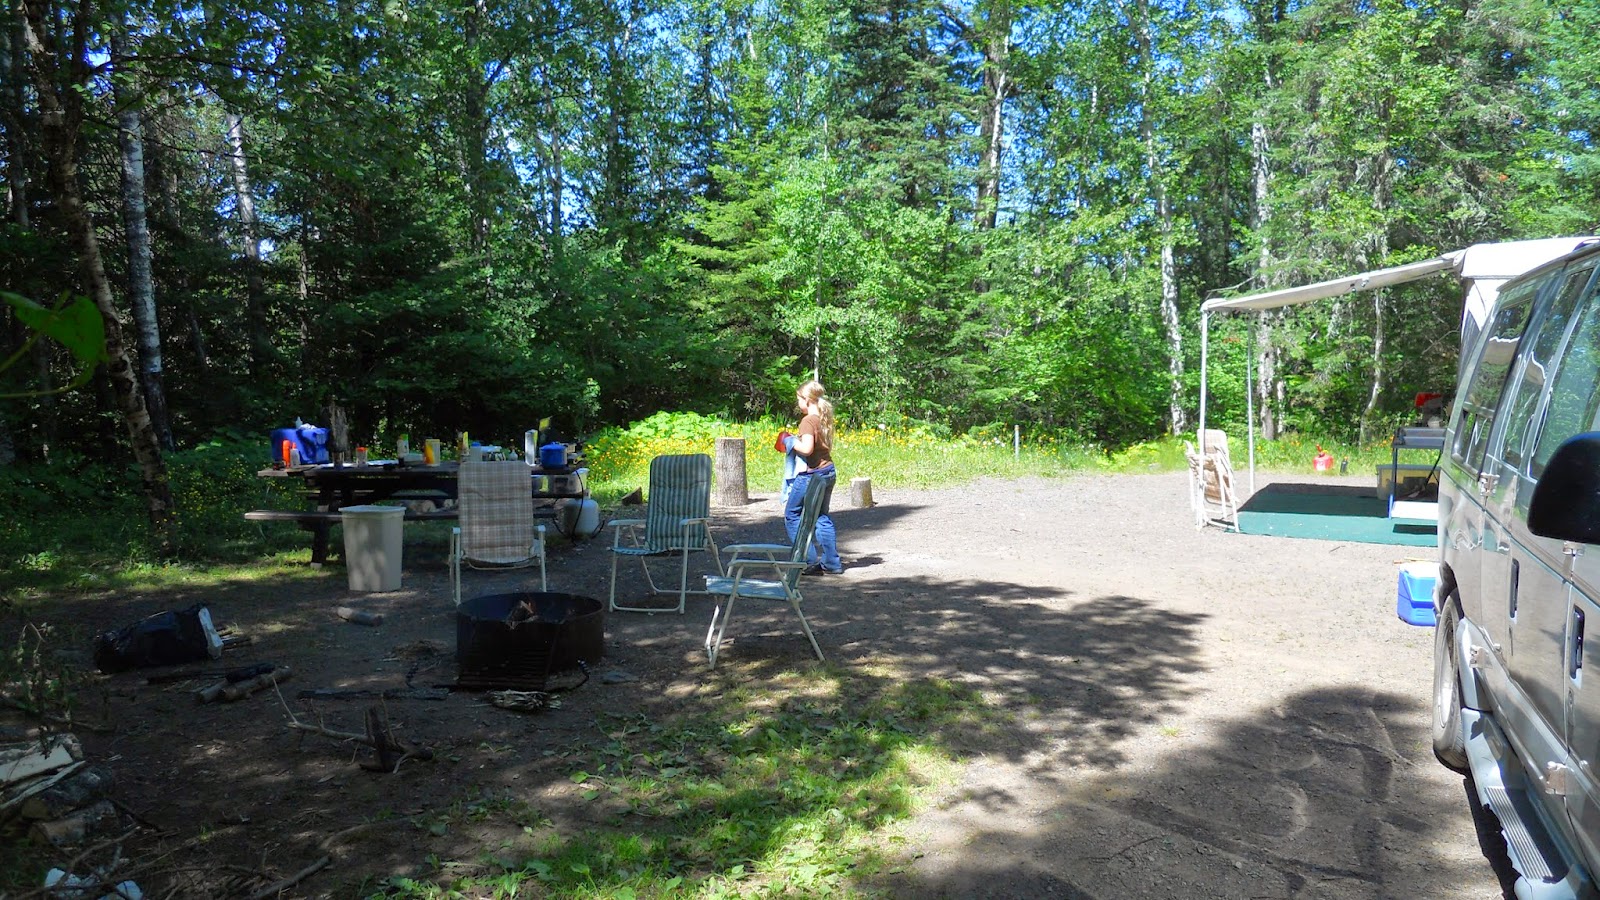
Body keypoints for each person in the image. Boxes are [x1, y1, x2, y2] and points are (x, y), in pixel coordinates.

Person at [786, 380, 843, 575]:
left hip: (814, 475)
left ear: (807, 400)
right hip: (829, 471)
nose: (798, 404)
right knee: (821, 516)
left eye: (798, 399)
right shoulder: (823, 417)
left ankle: (807, 560)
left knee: (792, 514)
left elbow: (807, 449)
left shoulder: (808, 421)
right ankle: (832, 563)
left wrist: (790, 442)